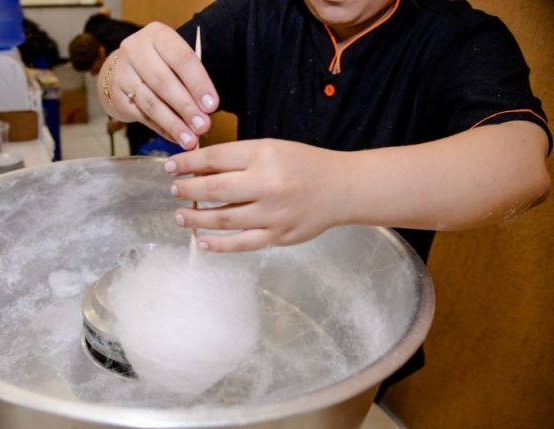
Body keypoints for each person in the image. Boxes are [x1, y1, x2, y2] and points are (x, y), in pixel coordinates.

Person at [96, 0, 551, 396]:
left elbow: (521, 166)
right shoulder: (253, 14)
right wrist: (119, 76)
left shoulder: (456, 37)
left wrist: (335, 186)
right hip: (245, 309)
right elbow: (118, 86)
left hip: (361, 344)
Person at [69, 8, 156, 155]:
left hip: (152, 53)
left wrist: (119, 122)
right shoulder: (92, 25)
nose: (93, 74)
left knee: (138, 130)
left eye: (94, 68)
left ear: (102, 52)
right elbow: (105, 11)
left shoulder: (123, 56)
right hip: (139, 46)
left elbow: (138, 94)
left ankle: (141, 159)